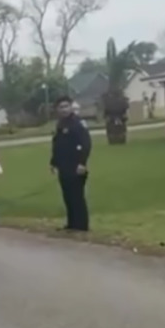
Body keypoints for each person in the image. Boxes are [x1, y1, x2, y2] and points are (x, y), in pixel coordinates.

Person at [50, 95, 92, 232]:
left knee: (77, 196)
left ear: (71, 107)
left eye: (66, 106)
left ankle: (82, 225)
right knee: (67, 195)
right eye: (61, 107)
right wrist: (53, 162)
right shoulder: (60, 124)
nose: (64, 110)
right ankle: (72, 223)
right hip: (64, 166)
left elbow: (86, 143)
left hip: (76, 165)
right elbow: (58, 145)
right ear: (57, 109)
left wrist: (82, 162)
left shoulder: (77, 123)